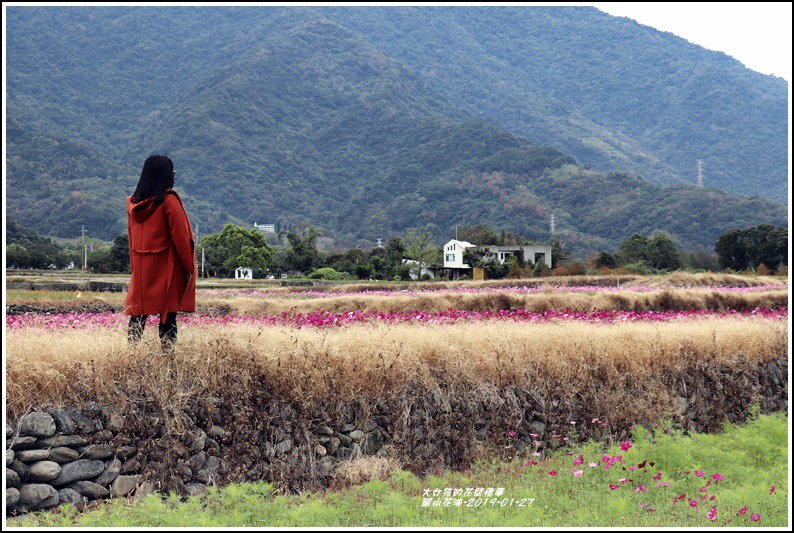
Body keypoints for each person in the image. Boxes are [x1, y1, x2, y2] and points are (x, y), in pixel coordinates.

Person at [125, 154, 196, 350]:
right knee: (168, 318)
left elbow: (131, 240)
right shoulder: (168, 200)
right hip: (166, 268)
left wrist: (135, 270)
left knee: (137, 316)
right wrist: (189, 267)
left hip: (141, 270)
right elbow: (181, 238)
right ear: (165, 175)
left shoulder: (132, 203)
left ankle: (131, 356)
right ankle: (167, 359)